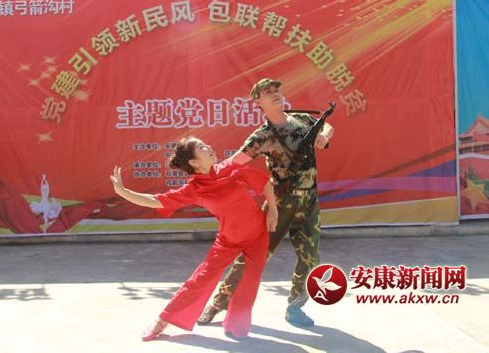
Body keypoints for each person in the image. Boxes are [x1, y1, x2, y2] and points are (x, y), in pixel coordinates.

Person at [110, 136, 278, 341]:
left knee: (250, 281)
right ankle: (162, 320)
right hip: (229, 240)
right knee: (199, 281)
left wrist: (273, 210)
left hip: (258, 232)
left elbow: (264, 182)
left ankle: (236, 324)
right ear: (194, 162)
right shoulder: (194, 189)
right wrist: (124, 192)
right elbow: (156, 201)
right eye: (201, 147)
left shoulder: (230, 168)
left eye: (205, 144)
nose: (208, 147)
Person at [198, 78, 334, 327]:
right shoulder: (263, 136)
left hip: (309, 202)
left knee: (311, 259)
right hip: (280, 204)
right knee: (253, 257)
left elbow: (327, 126)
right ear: (258, 103)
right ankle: (219, 303)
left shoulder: (302, 120)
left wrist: (323, 135)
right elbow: (235, 161)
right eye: (267, 92)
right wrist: (208, 174)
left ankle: (295, 307)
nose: (274, 94)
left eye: (276, 90)